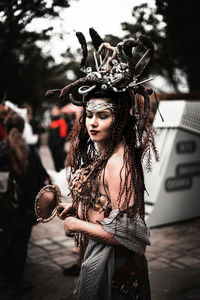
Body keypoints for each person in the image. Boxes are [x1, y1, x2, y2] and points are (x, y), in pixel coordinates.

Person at [46, 28, 158, 300]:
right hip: (100, 257)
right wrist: (78, 206)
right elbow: (107, 203)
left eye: (103, 115)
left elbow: (129, 236)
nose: (93, 122)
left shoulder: (119, 162)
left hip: (119, 268)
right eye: (89, 115)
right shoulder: (103, 154)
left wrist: (77, 225)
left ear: (118, 119)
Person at [0, 112, 51, 297]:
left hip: (4, 210)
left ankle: (4, 279)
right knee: (20, 245)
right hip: (26, 210)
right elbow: (41, 180)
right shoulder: (31, 151)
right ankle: (16, 284)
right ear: (23, 128)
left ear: (5, 128)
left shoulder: (1, 149)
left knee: (5, 243)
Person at [48, 105, 68, 171]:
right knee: (56, 166)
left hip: (59, 148)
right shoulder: (52, 122)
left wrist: (56, 145)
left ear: (59, 111)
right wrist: (50, 145)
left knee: (60, 166)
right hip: (53, 148)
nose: (54, 112)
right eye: (53, 111)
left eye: (56, 110)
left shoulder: (61, 121)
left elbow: (63, 135)